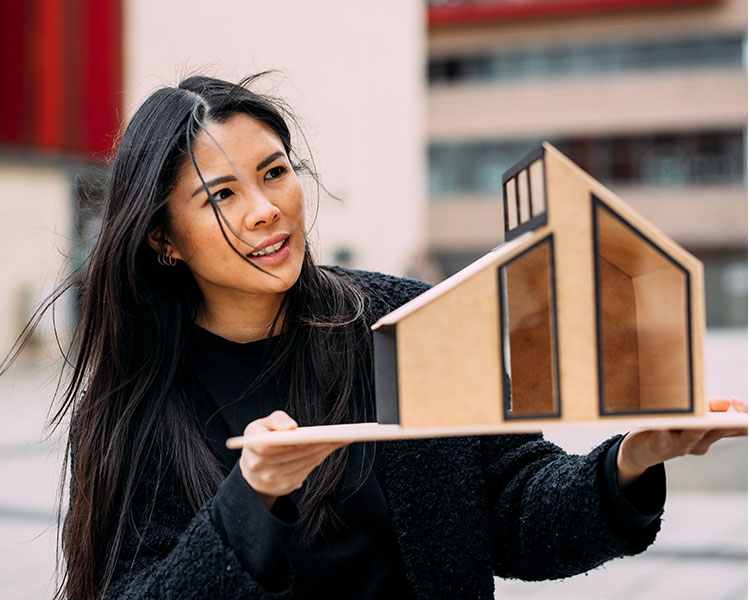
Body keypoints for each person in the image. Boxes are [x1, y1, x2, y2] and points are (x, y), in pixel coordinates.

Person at [8, 75, 745, 600]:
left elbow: (518, 511)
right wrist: (253, 498)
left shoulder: (403, 321)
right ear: (165, 240)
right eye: (222, 196)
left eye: (275, 172)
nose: (266, 209)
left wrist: (629, 462)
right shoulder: (137, 402)